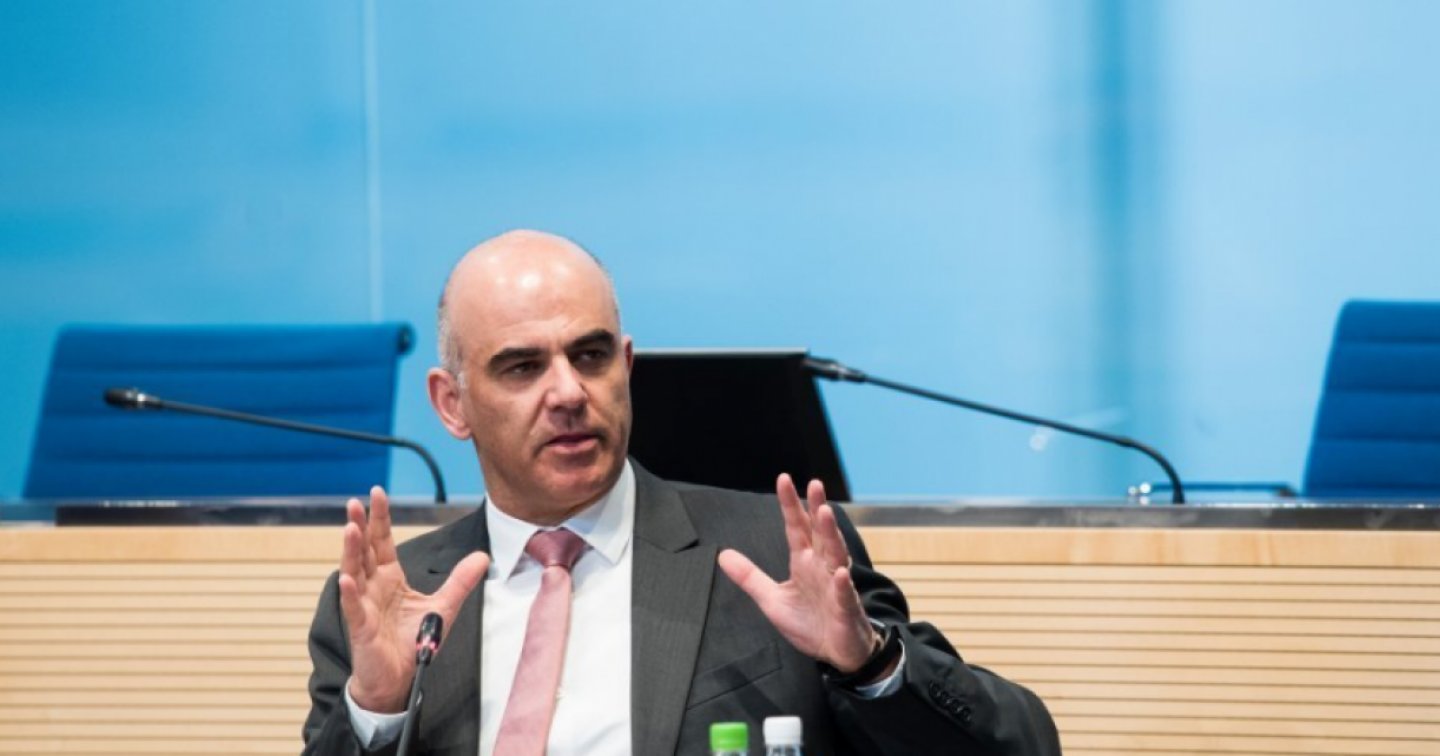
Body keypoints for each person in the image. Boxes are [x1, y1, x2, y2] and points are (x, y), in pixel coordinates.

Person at [302, 230, 1060, 755]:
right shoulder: (390, 607)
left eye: (591, 356)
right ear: (451, 404)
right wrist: (379, 712)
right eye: (523, 367)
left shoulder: (768, 554)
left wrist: (867, 665)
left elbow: (1021, 744)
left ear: (626, 367)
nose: (569, 392)